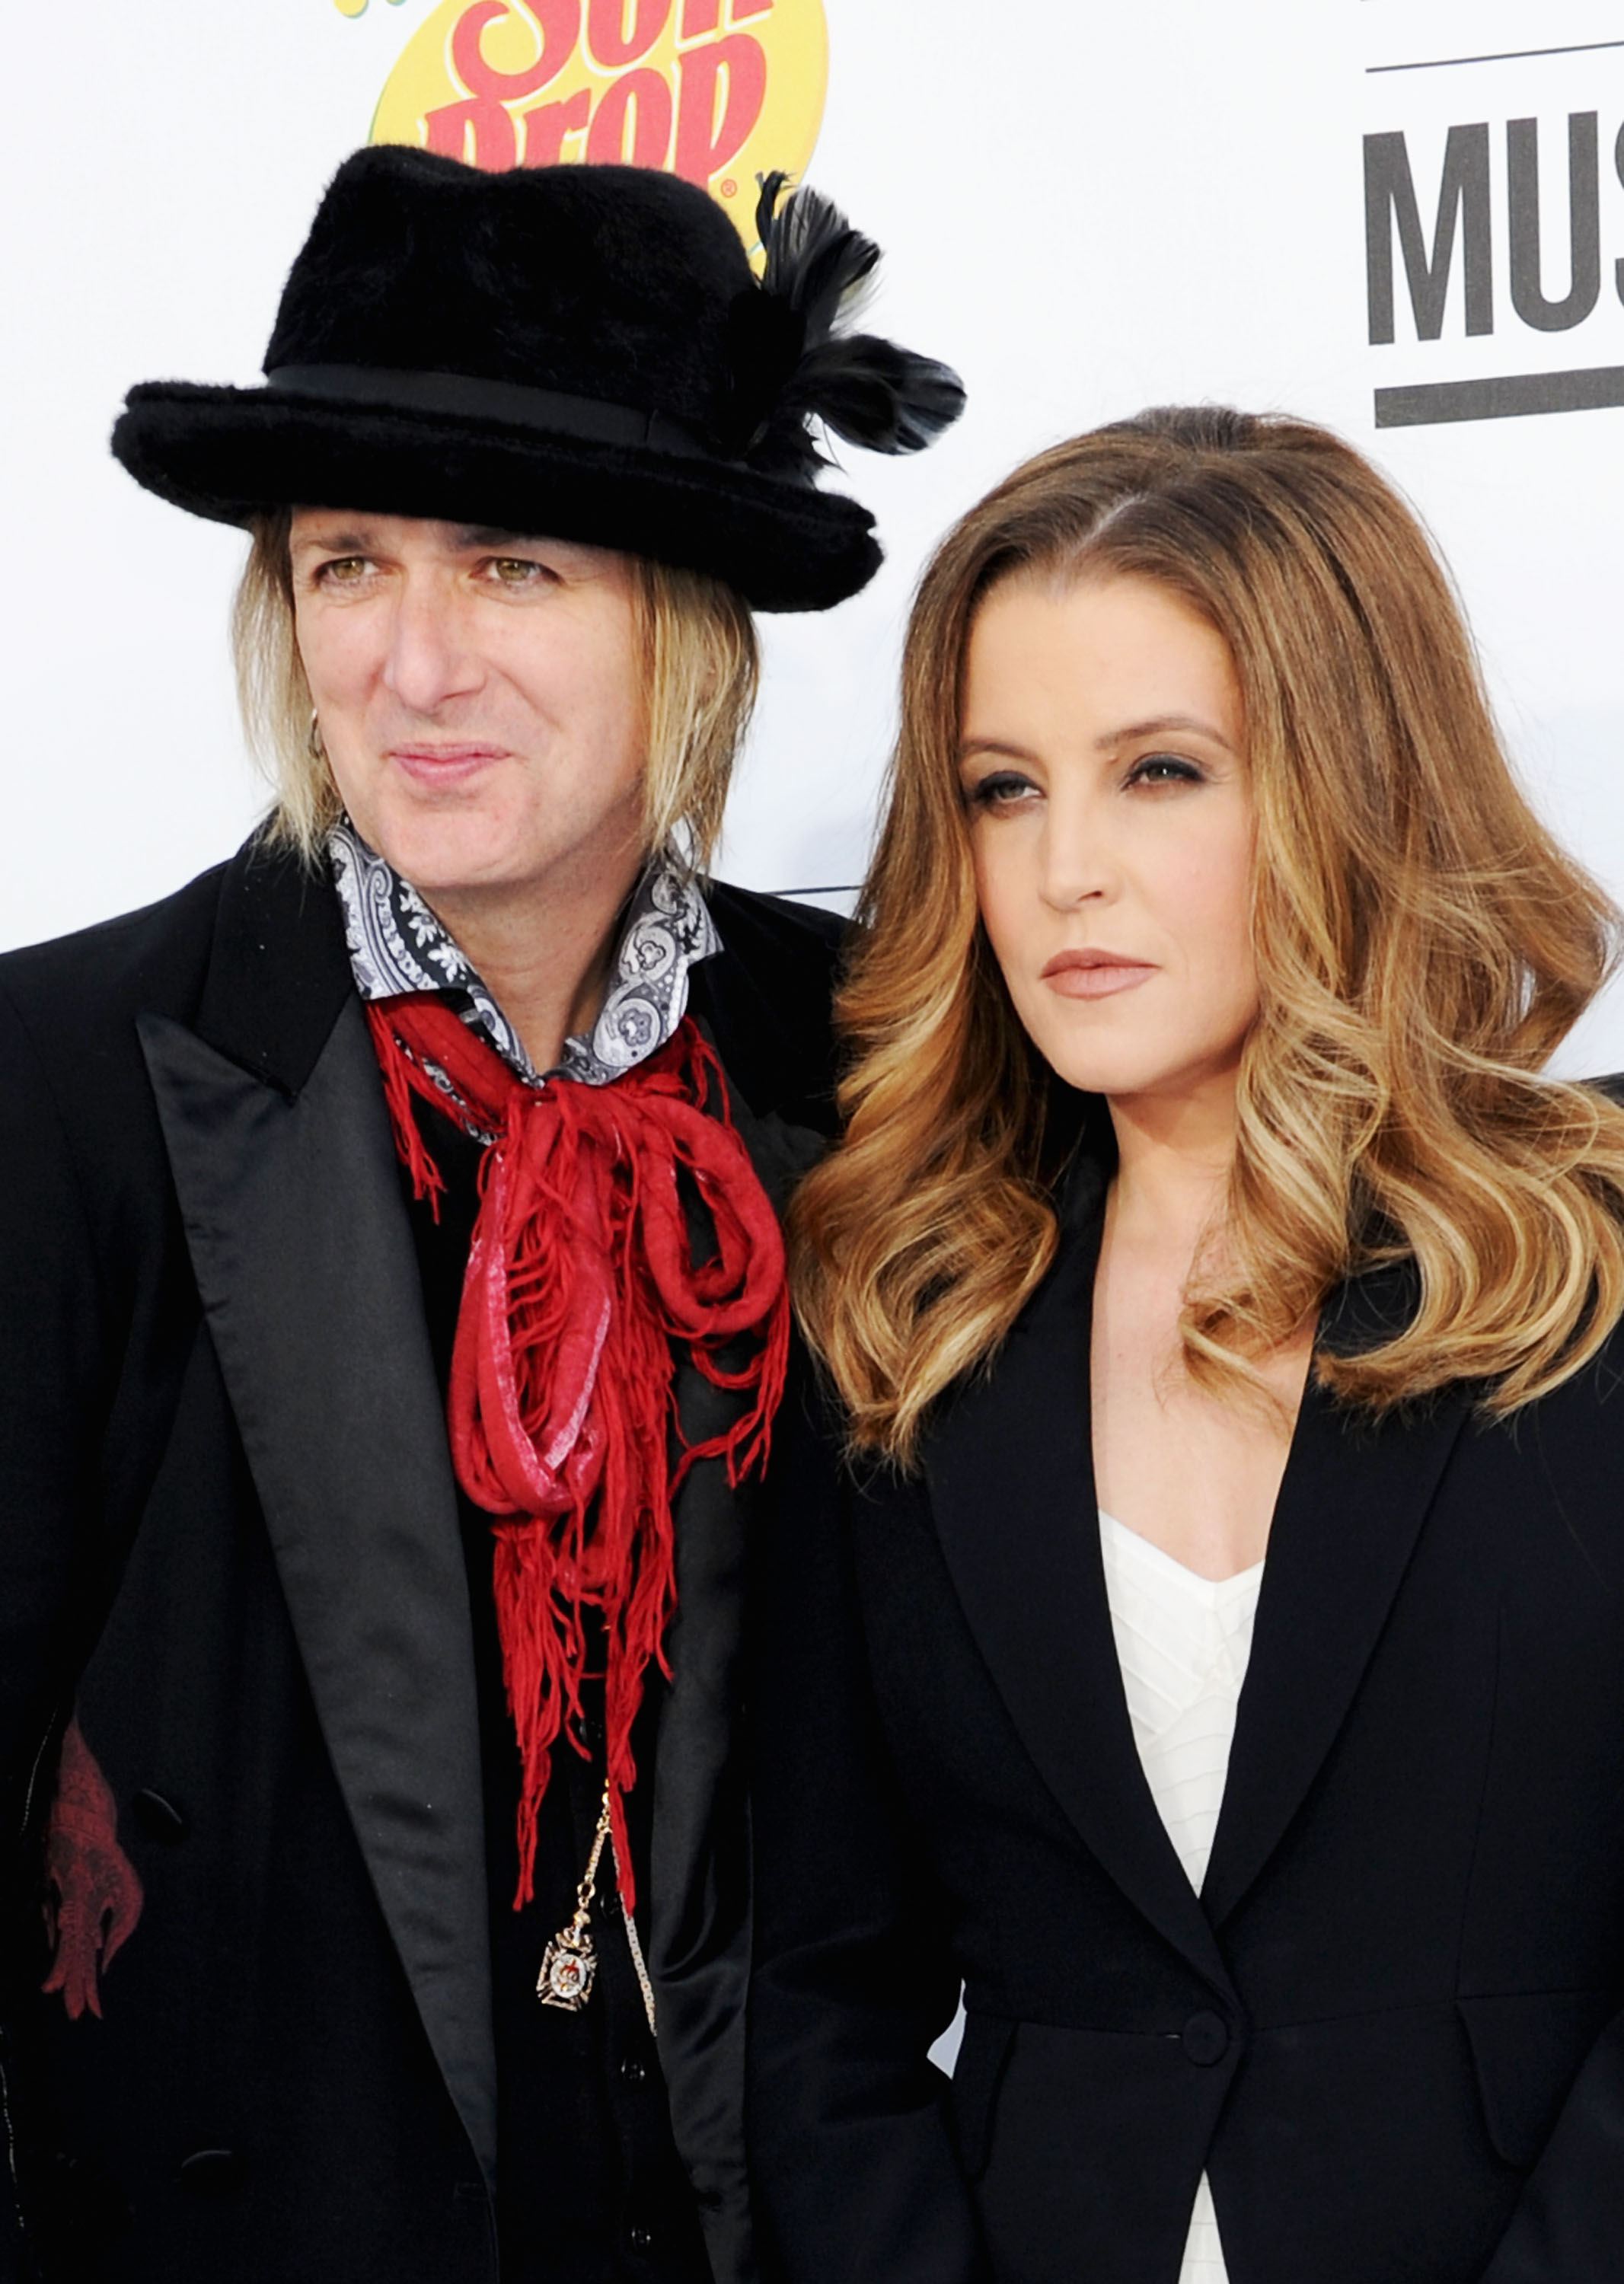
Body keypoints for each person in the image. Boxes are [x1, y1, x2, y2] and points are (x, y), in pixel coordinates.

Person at [0, 144, 961, 2284]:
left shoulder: (882, 1070)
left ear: (680, 620)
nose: (414, 665)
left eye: (511, 567)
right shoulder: (57, 1086)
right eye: (347, 566)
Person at [746, 406, 1624, 2284]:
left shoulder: (1589, 1262)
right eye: (1000, 787)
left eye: (1157, 772)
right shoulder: (904, 1317)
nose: (1063, 868)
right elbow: (819, 2006)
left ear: (1344, 781)